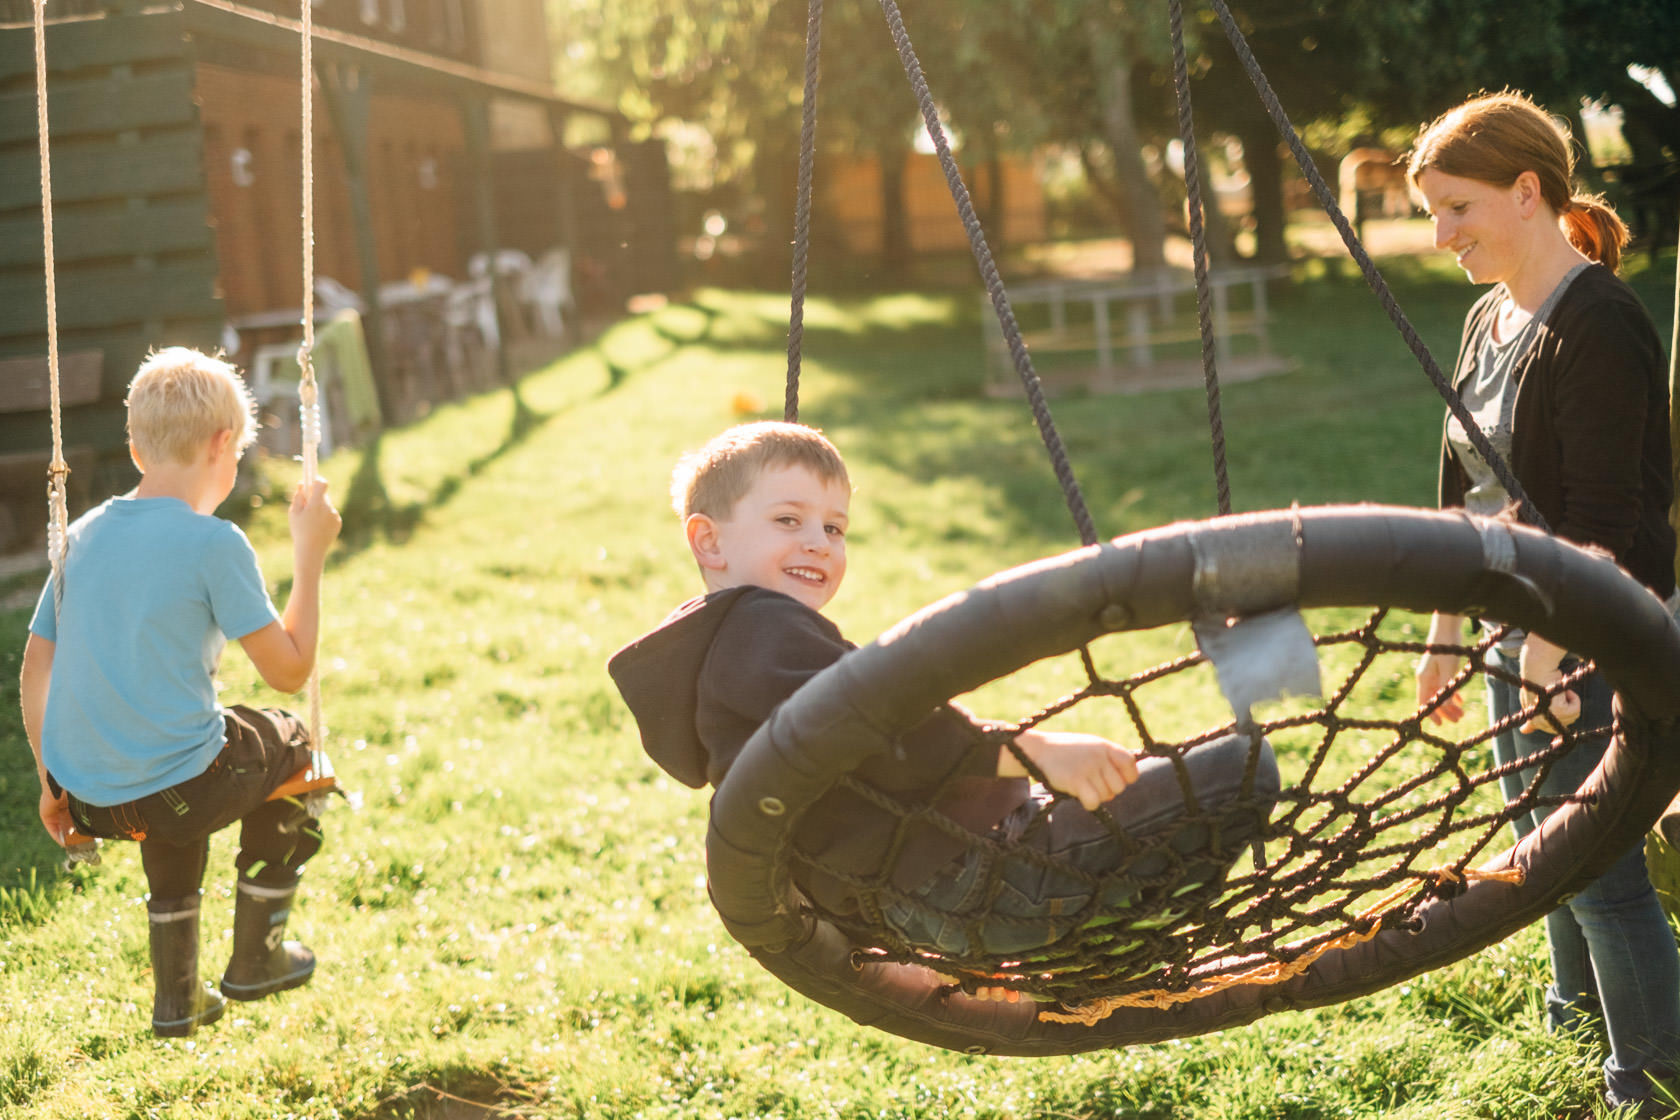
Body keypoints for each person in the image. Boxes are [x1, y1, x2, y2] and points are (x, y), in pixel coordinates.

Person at [607, 421, 1279, 991]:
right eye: (789, 520)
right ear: (708, 540)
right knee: (1242, 766)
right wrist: (1028, 751)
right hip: (984, 882)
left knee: (1151, 796)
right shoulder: (759, 627)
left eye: (835, 528)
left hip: (922, 910)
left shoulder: (724, 655)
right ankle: (1133, 946)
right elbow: (867, 722)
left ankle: (1112, 953)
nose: (819, 542)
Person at [1408, 91, 1680, 1112]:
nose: (1442, 236)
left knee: (1600, 868)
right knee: (1538, 843)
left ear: (1530, 192)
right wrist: (1447, 633)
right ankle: (1573, 1026)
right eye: (1432, 211)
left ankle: (1647, 1076)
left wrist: (1550, 660)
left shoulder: (1599, 320)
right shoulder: (1490, 314)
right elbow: (1458, 489)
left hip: (1596, 631)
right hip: (1505, 626)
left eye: (1458, 208)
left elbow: (1605, 524)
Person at [17, 347, 343, 1038]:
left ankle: (180, 996)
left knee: (175, 764)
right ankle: (256, 957)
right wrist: (308, 556)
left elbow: (34, 668)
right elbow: (288, 672)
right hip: (181, 785)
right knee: (291, 743)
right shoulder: (213, 543)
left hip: (97, 802)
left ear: (137, 449)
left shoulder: (77, 537)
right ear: (224, 444)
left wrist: (52, 782)